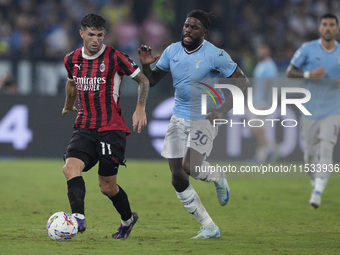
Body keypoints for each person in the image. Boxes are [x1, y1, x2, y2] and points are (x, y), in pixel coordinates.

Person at [138, 10, 249, 239]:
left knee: (191, 167)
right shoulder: (172, 50)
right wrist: (146, 66)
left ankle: (218, 176)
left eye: (194, 27)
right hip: (178, 116)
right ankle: (209, 226)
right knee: (178, 178)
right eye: (186, 26)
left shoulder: (215, 54)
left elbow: (244, 83)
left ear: (204, 32)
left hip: (204, 117)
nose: (188, 30)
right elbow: (151, 81)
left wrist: (222, 110)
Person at [62, 13, 150, 239]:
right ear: (81, 33)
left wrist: (140, 108)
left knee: (107, 187)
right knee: (70, 168)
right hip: (84, 125)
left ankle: (128, 219)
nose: (96, 40)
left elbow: (143, 80)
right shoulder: (71, 59)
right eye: (91, 34)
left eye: (100, 35)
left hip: (111, 129)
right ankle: (78, 218)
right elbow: (71, 83)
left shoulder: (115, 57)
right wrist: (68, 105)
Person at [286, 13, 340, 209]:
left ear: (336, 28)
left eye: (331, 25)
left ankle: (317, 192)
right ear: (319, 28)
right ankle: (315, 182)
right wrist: (309, 74)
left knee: (326, 150)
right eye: (324, 24)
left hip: (334, 110)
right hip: (310, 110)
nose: (328, 28)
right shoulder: (307, 49)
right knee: (309, 157)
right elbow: (289, 72)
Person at [250, 44, 279, 163]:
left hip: (263, 102)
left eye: (263, 49)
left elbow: (268, 83)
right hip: (257, 101)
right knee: (260, 129)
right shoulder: (260, 65)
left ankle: (272, 150)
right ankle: (262, 156)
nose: (260, 51)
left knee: (254, 127)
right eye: (259, 49)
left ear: (268, 51)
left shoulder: (269, 66)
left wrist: (264, 101)